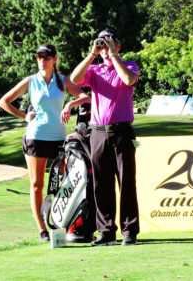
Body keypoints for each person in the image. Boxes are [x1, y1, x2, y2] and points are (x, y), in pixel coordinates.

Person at [0, 43, 91, 241]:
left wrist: (70, 104)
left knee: (62, 184)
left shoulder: (62, 81)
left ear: (54, 59)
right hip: (36, 136)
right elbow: (3, 102)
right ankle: (42, 230)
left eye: (46, 57)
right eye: (39, 56)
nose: (42, 60)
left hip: (58, 137)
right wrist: (24, 116)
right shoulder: (31, 81)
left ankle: (61, 222)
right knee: (37, 184)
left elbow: (86, 97)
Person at [70, 29, 140, 246]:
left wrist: (113, 56)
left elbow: (128, 80)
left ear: (118, 46)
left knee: (126, 182)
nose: (104, 48)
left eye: (109, 43)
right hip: (98, 132)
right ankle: (106, 232)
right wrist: (93, 53)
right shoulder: (95, 69)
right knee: (101, 184)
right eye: (102, 43)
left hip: (122, 132)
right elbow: (74, 79)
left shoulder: (128, 65)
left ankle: (129, 232)